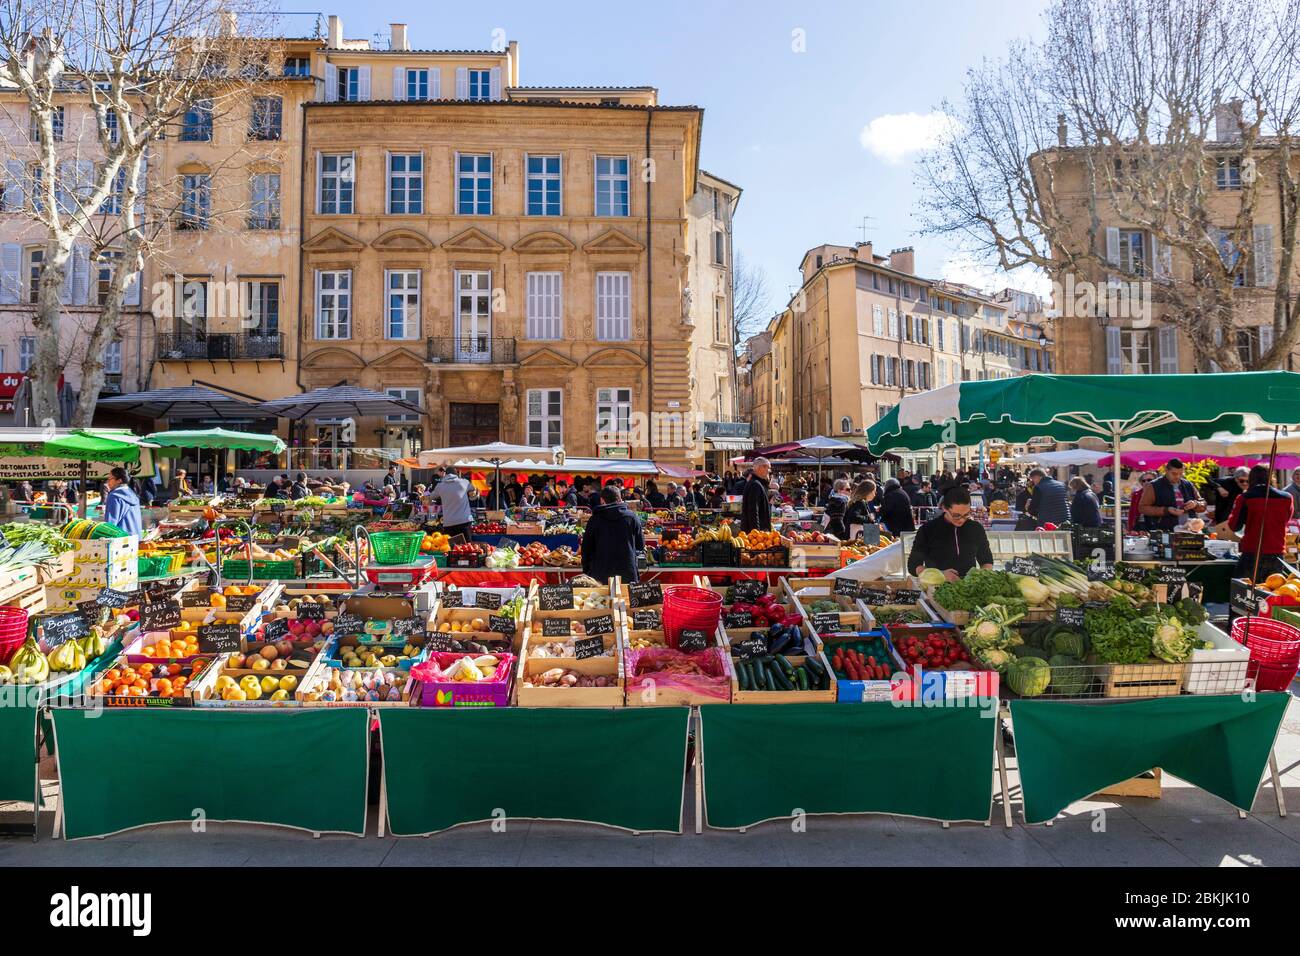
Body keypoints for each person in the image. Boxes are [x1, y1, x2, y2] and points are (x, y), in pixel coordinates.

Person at [1218, 464, 1294, 579]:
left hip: (1252, 552)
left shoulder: (1245, 498)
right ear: (1271, 477)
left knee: (1245, 593)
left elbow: (1234, 526)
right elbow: (1285, 520)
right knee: (1272, 592)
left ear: (1251, 478)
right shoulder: (1287, 498)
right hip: (1277, 552)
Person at [906, 486, 995, 581]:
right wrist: (940, 575)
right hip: (937, 588)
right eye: (956, 515)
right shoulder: (927, 530)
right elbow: (913, 565)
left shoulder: (976, 528)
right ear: (944, 508)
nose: (961, 520)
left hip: (969, 588)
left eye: (966, 514)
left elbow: (986, 559)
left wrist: (981, 575)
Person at [581, 483, 645, 583]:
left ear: (602, 500)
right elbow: (640, 545)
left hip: (600, 574)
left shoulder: (594, 520)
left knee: (599, 599)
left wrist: (587, 570)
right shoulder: (632, 517)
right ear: (620, 499)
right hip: (627, 572)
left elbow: (586, 549)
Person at [1138, 458, 1206, 531]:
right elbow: (1142, 508)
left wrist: (1196, 504)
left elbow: (1203, 503)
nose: (1178, 476)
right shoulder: (1153, 485)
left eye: (1181, 474)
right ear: (1166, 471)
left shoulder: (1188, 484)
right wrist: (1167, 510)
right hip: (1165, 531)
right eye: (1174, 473)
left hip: (1191, 531)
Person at [430, 468, 475, 539]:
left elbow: (431, 497)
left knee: (451, 548)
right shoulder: (464, 482)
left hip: (449, 522)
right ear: (456, 474)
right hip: (465, 520)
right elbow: (473, 490)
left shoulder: (440, 486)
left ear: (445, 474)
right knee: (467, 547)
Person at [102, 467, 143, 536]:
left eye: (110, 479)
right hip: (135, 539)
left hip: (121, 540)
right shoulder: (133, 494)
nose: (107, 482)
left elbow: (110, 525)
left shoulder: (114, 496)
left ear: (119, 480)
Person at [740, 458, 772, 533]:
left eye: (769, 468)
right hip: (755, 533)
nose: (768, 470)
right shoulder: (755, 485)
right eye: (766, 467)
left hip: (757, 531)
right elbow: (753, 510)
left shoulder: (757, 483)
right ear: (759, 467)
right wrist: (756, 532)